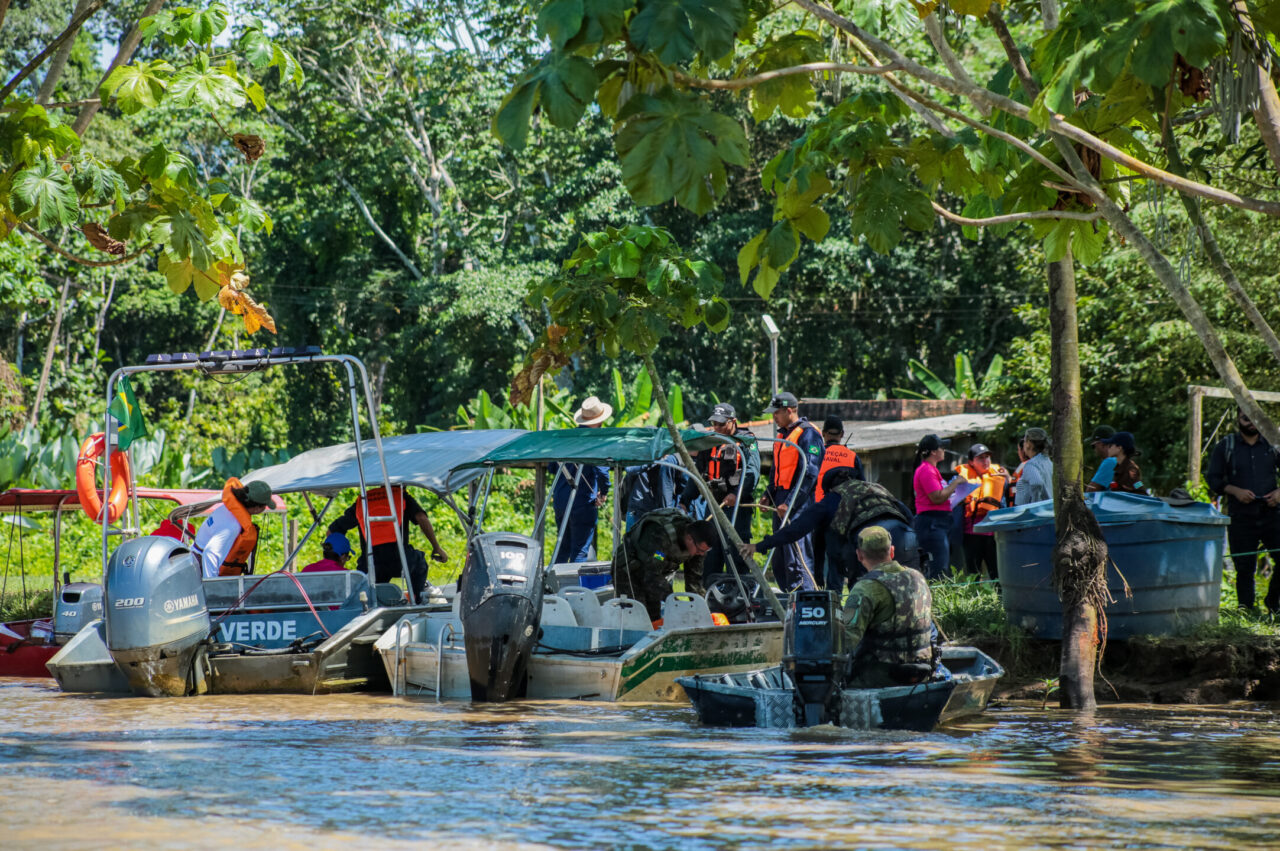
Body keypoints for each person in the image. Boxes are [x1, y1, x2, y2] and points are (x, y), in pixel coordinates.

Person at [739, 467, 916, 593]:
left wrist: (759, 546)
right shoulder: (877, 489)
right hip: (906, 539)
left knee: (863, 592)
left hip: (869, 544)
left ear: (829, 488)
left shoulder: (832, 499)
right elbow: (907, 514)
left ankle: (843, 619)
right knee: (910, 591)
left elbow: (796, 529)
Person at [840, 526, 937, 688]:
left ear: (859, 555)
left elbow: (846, 640)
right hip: (923, 671)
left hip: (881, 676)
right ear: (892, 551)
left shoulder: (865, 588)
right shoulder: (918, 577)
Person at [1207, 408, 1280, 613]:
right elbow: (1213, 479)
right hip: (1241, 515)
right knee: (1244, 567)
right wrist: (1235, 491)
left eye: (1254, 418)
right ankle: (1246, 610)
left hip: (1272, 513)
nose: (1250, 423)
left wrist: (1278, 493)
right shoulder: (1226, 446)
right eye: (1245, 418)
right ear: (1238, 419)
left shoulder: (1273, 445)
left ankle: (1273, 602)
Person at [680, 402, 760, 577]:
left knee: (736, 552)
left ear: (733, 422)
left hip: (737, 507)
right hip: (714, 505)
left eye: (721, 424)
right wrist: (685, 500)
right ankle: (710, 589)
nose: (717, 427)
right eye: (714, 423)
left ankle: (739, 590)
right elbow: (697, 474)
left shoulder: (746, 441)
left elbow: (752, 472)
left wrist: (736, 494)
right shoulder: (709, 442)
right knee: (710, 551)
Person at [328, 485, 448, 601]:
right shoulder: (401, 496)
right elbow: (421, 518)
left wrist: (338, 560)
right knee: (420, 563)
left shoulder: (364, 500)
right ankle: (416, 599)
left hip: (370, 563)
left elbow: (332, 531)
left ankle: (374, 605)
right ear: (403, 484)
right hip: (399, 560)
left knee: (372, 594)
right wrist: (436, 547)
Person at [760, 392, 825, 591]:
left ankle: (804, 597)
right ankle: (788, 597)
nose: (774, 417)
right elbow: (776, 471)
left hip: (799, 502)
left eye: (777, 412)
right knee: (780, 557)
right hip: (780, 499)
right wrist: (768, 494)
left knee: (796, 556)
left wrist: (790, 503)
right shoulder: (782, 435)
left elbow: (809, 474)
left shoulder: (809, 434)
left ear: (789, 410)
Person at [612, 508, 717, 620]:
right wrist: (676, 603)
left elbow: (694, 582)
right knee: (637, 618)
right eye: (700, 550)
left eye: (705, 551)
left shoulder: (698, 546)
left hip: (653, 574)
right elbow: (651, 575)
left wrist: (703, 611)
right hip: (629, 570)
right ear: (689, 539)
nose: (701, 554)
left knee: (654, 619)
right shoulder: (662, 537)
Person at [549, 396, 612, 563]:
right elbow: (602, 471)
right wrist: (604, 492)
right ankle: (575, 581)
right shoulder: (596, 442)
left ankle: (554, 579)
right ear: (600, 421)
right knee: (580, 550)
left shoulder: (565, 439)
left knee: (562, 548)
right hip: (583, 502)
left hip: (561, 501)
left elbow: (551, 467)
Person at [193, 478, 274, 578]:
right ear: (257, 508)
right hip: (199, 567)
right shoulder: (233, 525)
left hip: (195, 558)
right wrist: (212, 584)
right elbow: (210, 553)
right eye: (264, 506)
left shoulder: (226, 508)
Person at [954, 444, 1010, 579]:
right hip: (971, 535)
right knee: (973, 576)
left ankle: (999, 594)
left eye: (987, 457)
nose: (986, 461)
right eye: (980, 458)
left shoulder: (1000, 476)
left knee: (997, 575)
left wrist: (1008, 478)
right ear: (971, 462)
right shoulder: (962, 480)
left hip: (994, 535)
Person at [912, 434, 961, 579]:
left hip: (936, 523)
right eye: (942, 447)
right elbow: (937, 497)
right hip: (931, 524)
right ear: (933, 451)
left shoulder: (931, 469)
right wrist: (956, 483)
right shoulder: (926, 470)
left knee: (940, 566)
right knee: (938, 569)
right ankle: (935, 593)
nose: (944, 450)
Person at [622, 454, 679, 530]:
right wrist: (654, 461)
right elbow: (630, 469)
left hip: (657, 511)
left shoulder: (670, 458)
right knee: (632, 537)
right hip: (637, 509)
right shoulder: (639, 452)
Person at [813, 417, 864, 503]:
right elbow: (863, 486)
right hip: (845, 507)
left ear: (823, 433)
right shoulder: (853, 457)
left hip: (817, 505)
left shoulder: (815, 453)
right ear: (842, 434)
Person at [1014, 427, 1053, 505]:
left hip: (1035, 511)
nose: (1023, 444)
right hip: (1049, 507)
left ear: (1029, 444)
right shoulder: (1048, 461)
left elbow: (1037, 483)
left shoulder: (1031, 464)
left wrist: (1035, 504)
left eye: (1024, 441)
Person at [1086, 424, 1118, 491]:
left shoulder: (1110, 462)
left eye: (1093, 446)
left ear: (1102, 444)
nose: (1094, 450)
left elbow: (1091, 491)